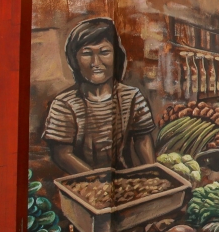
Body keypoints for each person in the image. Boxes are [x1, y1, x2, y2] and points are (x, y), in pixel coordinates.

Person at [44, 18, 156, 174]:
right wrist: (97, 180)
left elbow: (142, 141)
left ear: (116, 56)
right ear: (74, 59)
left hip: (123, 179)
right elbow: (62, 154)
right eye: (87, 53)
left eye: (104, 52)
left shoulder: (132, 97)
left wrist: (152, 174)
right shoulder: (64, 104)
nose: (95, 62)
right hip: (81, 181)